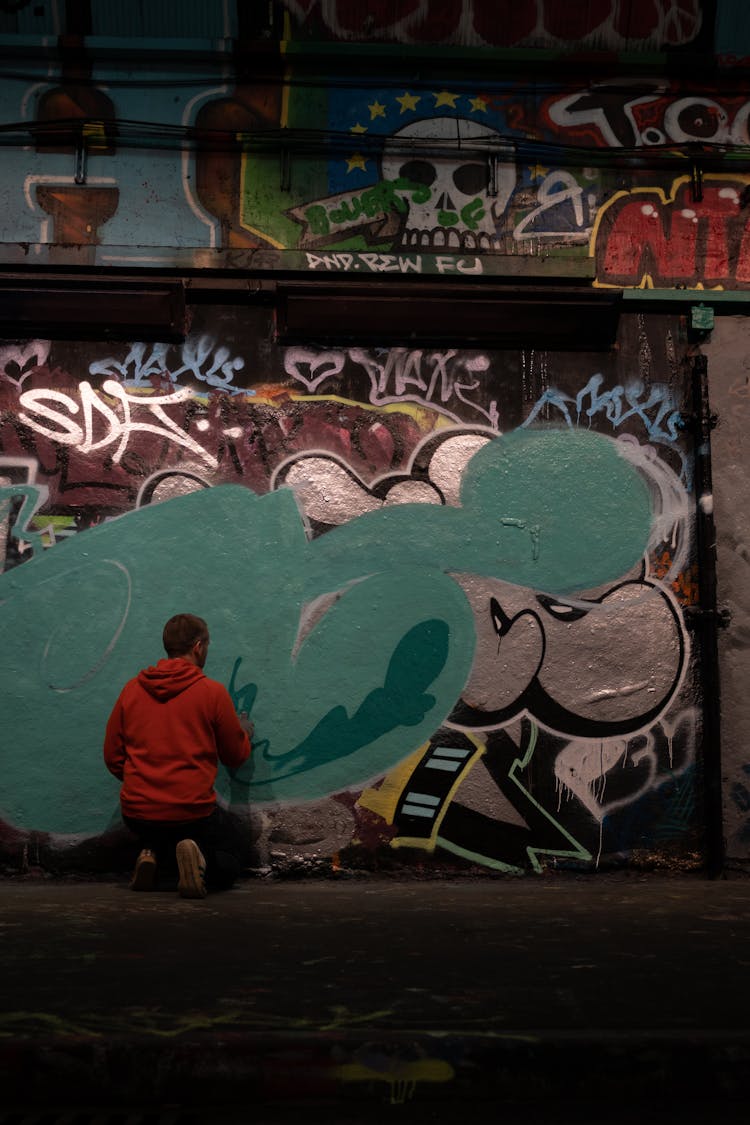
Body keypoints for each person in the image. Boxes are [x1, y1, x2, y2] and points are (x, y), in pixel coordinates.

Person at [104, 613, 253, 898]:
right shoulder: (212, 692)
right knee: (232, 856)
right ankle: (199, 867)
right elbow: (235, 756)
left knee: (162, 834)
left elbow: (112, 756)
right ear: (198, 647)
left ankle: (152, 857)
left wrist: (144, 781)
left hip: (137, 813)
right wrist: (244, 733)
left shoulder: (132, 689)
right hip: (192, 813)